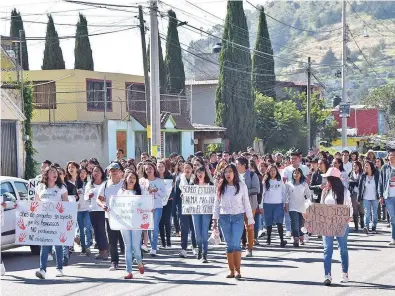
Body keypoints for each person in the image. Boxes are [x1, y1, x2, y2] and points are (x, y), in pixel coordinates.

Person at [212, 164, 254, 280]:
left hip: (238, 217)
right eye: (226, 172)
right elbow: (216, 204)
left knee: (236, 243)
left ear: (234, 173)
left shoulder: (241, 186)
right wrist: (214, 220)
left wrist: (250, 219)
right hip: (224, 218)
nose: (228, 174)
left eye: (230, 171)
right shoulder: (221, 186)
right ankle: (231, 270)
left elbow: (246, 203)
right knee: (229, 244)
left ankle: (237, 270)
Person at [319, 167, 353, 286]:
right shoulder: (325, 191)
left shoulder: (345, 192)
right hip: (327, 224)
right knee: (327, 249)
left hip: (341, 224)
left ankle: (344, 272)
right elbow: (321, 207)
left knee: (342, 248)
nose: (326, 181)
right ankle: (327, 274)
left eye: (328, 178)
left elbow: (349, 207)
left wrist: (349, 217)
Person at [34, 165, 69, 279]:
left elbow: (66, 204)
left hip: (57, 221)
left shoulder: (61, 188)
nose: (55, 174)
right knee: (44, 245)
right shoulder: (40, 187)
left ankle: (59, 268)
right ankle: (42, 270)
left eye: (56, 172)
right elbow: (36, 203)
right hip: (44, 222)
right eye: (52, 171)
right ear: (47, 174)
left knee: (58, 245)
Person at [116, 171, 145, 279]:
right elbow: (116, 205)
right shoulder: (121, 192)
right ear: (126, 179)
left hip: (136, 223)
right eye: (130, 177)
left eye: (134, 177)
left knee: (135, 247)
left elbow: (145, 205)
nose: (132, 179)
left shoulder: (139, 192)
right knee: (127, 247)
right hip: (124, 222)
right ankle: (129, 271)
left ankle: (139, 262)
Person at [97, 162, 124, 271]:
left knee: (124, 240)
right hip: (110, 216)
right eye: (111, 170)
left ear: (120, 171)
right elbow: (98, 198)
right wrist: (102, 204)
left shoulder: (124, 183)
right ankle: (114, 261)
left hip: (124, 216)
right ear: (109, 171)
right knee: (112, 240)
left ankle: (130, 259)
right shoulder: (105, 184)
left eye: (116, 169)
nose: (113, 171)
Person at [139, 161, 166, 257]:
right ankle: (149, 244)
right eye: (146, 169)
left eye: (150, 168)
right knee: (147, 227)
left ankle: (154, 248)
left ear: (154, 169)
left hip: (157, 206)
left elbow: (164, 194)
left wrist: (157, 191)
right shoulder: (142, 181)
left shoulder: (159, 181)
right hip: (145, 207)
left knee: (154, 227)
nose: (148, 170)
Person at [235, 157, 260, 257]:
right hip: (236, 205)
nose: (236, 166)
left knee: (249, 226)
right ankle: (238, 245)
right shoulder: (235, 175)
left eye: (237, 164)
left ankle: (249, 247)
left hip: (250, 204)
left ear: (244, 165)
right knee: (237, 226)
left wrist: (243, 192)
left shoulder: (252, 175)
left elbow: (256, 189)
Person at [173, 162, 197, 258]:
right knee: (184, 228)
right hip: (182, 206)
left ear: (192, 169)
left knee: (193, 227)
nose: (187, 169)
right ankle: (183, 249)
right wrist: (174, 208)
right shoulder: (179, 179)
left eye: (189, 168)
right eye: (185, 168)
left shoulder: (195, 179)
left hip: (194, 206)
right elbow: (175, 194)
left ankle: (195, 247)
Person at [261, 165, 287, 247]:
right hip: (267, 204)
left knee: (279, 222)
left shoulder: (280, 181)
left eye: (274, 170)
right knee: (268, 223)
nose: (273, 172)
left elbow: (284, 193)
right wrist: (260, 205)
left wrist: (285, 203)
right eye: (271, 170)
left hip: (278, 204)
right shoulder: (265, 182)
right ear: (268, 172)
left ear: (277, 171)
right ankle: (268, 239)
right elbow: (262, 194)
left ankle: (282, 240)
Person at [86, 165, 109, 260]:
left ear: (102, 173)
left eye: (98, 171)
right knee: (96, 231)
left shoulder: (105, 183)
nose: (96, 173)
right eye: (94, 171)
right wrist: (89, 196)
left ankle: (105, 251)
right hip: (93, 210)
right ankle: (100, 251)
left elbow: (108, 195)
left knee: (102, 231)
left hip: (102, 210)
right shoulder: (89, 184)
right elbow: (85, 197)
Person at [192, 166, 213, 263]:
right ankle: (199, 248)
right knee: (197, 233)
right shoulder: (192, 185)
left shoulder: (210, 185)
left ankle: (205, 253)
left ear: (205, 173)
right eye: (198, 172)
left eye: (202, 172)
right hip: (195, 211)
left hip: (206, 211)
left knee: (204, 232)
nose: (200, 174)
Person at [286, 168, 311, 247]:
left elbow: (308, 195)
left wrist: (308, 204)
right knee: (294, 222)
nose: (296, 175)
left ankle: (301, 236)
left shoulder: (304, 184)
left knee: (301, 223)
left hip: (302, 206)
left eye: (297, 173)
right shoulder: (289, 184)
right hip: (292, 206)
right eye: (294, 173)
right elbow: (286, 196)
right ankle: (296, 238)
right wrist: (286, 204)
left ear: (301, 175)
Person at [378, 148, 395, 245]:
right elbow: (380, 183)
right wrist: (380, 196)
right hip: (388, 196)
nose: (392, 157)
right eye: (390, 155)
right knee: (393, 217)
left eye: (393, 155)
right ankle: (393, 238)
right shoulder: (384, 168)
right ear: (388, 157)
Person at [358, 161, 380, 234]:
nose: (366, 167)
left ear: (371, 166)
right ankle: (366, 227)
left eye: (367, 165)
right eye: (365, 166)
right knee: (367, 213)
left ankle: (374, 225)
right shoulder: (363, 176)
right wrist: (359, 198)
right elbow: (360, 187)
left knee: (375, 213)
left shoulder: (376, 175)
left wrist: (381, 195)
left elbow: (380, 186)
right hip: (366, 197)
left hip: (375, 197)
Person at [157, 161, 174, 249]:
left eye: (162, 166)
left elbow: (173, 188)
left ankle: (168, 241)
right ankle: (163, 242)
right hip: (158, 201)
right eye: (159, 166)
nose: (160, 168)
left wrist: (173, 186)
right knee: (160, 221)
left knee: (167, 221)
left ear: (165, 167)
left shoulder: (170, 176)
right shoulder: (155, 178)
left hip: (169, 201)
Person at [349, 161, 364, 232]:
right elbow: (349, 183)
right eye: (354, 166)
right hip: (353, 193)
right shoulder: (351, 173)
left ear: (359, 166)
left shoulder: (362, 174)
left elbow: (363, 183)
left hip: (361, 193)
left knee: (361, 209)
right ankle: (356, 226)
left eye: (356, 166)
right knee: (355, 210)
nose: (355, 167)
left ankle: (362, 222)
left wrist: (355, 182)